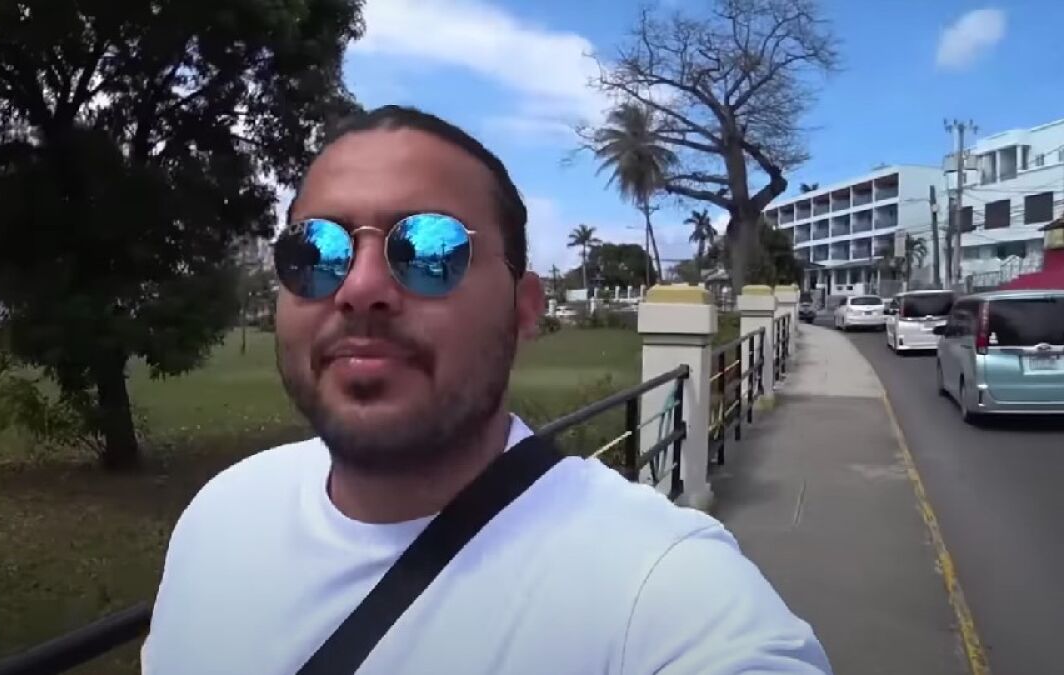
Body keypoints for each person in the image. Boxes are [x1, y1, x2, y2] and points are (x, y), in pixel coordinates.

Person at [142, 105, 831, 674]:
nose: (360, 288)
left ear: (524, 309)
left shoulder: (658, 590)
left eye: (428, 249)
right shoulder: (218, 516)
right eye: (316, 251)